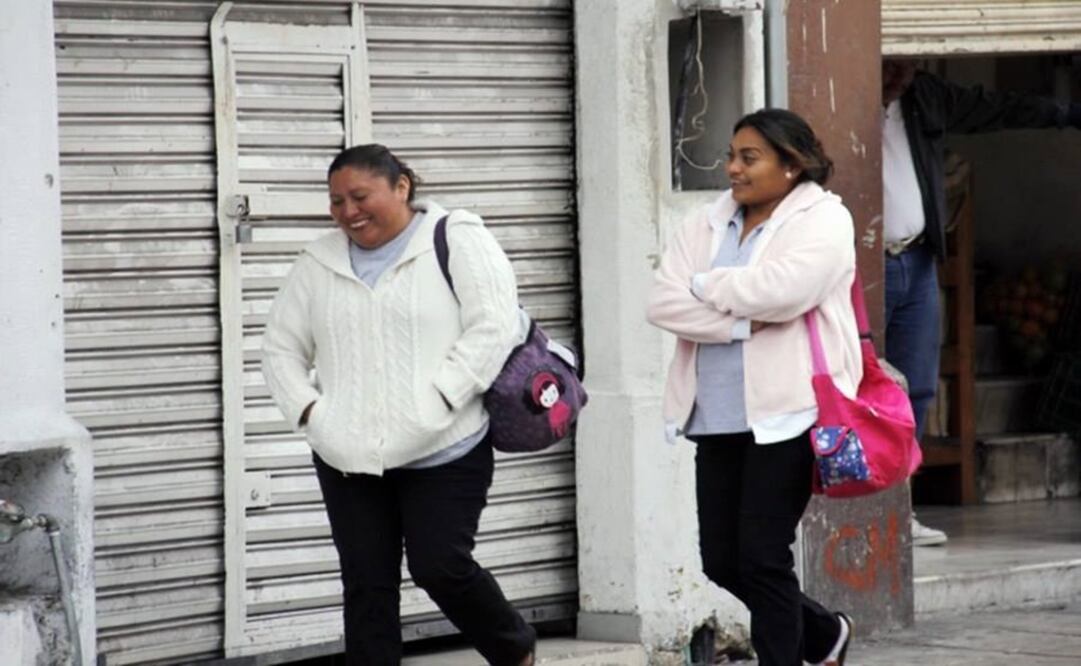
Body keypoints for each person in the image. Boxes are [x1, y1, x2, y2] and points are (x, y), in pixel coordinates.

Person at [261, 144, 535, 665]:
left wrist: (441, 398)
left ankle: (513, 648)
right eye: (337, 201)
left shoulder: (456, 239)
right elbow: (280, 348)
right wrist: (311, 414)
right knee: (367, 585)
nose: (349, 212)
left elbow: (493, 326)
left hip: (445, 446)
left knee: (441, 567)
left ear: (401, 187)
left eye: (360, 196)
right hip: (348, 455)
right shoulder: (318, 262)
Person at [647, 109, 858, 666]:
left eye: (749, 157)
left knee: (763, 557)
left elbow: (785, 291)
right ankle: (823, 634)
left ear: (792, 165)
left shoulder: (824, 220)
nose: (732, 169)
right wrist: (739, 320)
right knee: (721, 560)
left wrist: (706, 285)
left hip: (788, 413)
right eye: (732, 156)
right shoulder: (707, 222)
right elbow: (663, 302)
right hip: (714, 415)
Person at [880, 59, 1081, 546]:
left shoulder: (922, 97)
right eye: (895, 64)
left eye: (911, 63)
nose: (905, 72)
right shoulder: (838, 92)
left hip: (917, 260)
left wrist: (1067, 113)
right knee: (863, 392)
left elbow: (994, 107)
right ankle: (866, 513)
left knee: (917, 390)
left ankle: (899, 511)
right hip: (864, 266)